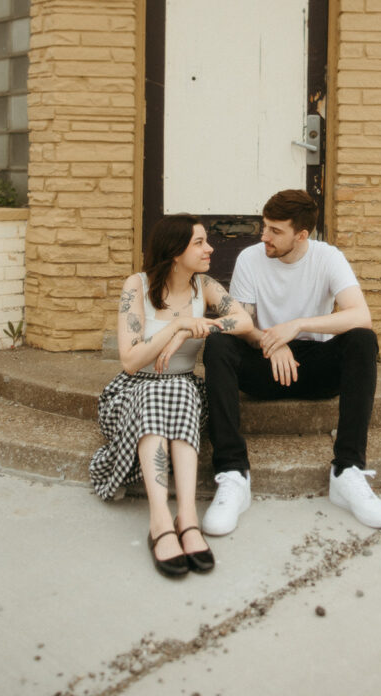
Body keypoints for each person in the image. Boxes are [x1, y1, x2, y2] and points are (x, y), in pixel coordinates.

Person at [201, 189, 381, 536]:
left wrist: (298, 326)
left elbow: (361, 314)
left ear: (302, 235)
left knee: (363, 340)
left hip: (316, 368)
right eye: (264, 227)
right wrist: (272, 342)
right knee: (218, 343)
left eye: (275, 231)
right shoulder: (250, 258)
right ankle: (233, 473)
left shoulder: (327, 257)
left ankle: (347, 470)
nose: (265, 237)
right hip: (264, 365)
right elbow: (243, 324)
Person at [89, 214, 252, 579]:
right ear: (175, 251)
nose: (209, 248)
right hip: (133, 391)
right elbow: (130, 361)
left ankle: (187, 518)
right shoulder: (137, 285)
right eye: (199, 242)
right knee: (157, 395)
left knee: (176, 389)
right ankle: (162, 520)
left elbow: (244, 323)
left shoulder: (204, 286)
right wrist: (177, 326)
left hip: (182, 390)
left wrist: (203, 326)